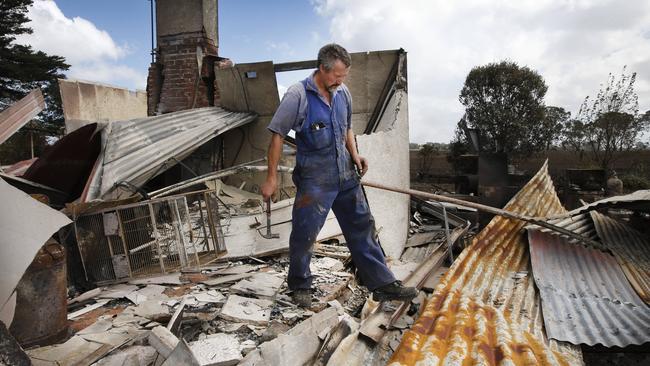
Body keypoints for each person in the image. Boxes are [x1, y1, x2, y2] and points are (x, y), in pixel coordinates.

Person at [261, 43, 417, 307]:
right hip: (315, 180)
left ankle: (382, 284)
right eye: (337, 75)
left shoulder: (343, 93)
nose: (341, 81)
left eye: (344, 76)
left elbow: (346, 129)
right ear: (322, 69)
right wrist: (272, 178)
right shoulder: (297, 95)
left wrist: (355, 155)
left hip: (346, 175)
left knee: (362, 227)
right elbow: (277, 136)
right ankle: (300, 285)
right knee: (305, 233)